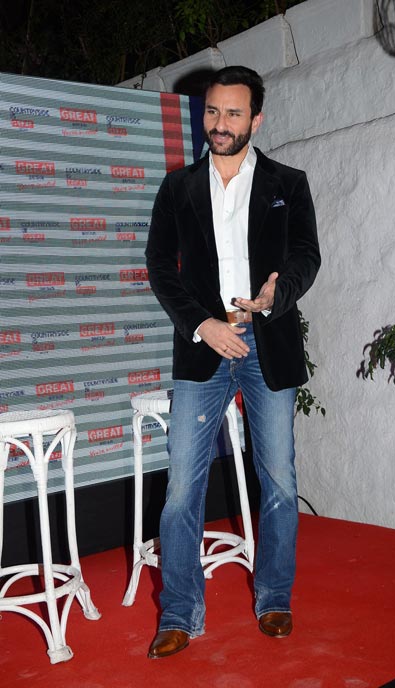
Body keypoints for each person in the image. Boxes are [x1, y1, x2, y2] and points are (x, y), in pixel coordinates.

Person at [145, 65, 320, 659]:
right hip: (205, 345)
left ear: (256, 119)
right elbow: (160, 267)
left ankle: (274, 598)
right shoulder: (178, 188)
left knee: (279, 482)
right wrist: (204, 325)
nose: (219, 124)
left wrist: (276, 295)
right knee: (180, 490)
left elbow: (306, 256)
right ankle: (179, 612)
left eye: (233, 113)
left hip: (266, 343)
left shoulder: (287, 183)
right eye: (213, 112)